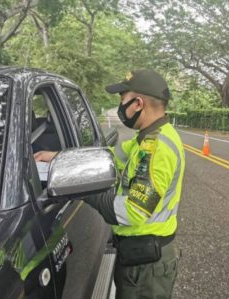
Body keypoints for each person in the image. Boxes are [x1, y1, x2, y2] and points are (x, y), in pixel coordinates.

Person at [35, 69, 185, 299]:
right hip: (140, 256)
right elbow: (111, 155)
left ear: (138, 103)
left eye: (122, 100)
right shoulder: (147, 137)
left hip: (146, 267)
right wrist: (57, 156)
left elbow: (133, 211)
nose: (120, 106)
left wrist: (82, 188)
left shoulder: (158, 148)